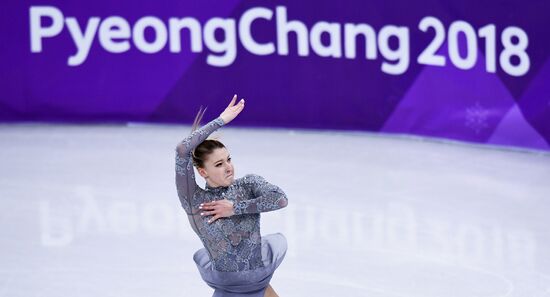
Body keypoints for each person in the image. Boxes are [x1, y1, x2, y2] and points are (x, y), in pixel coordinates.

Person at [175, 95, 288, 297]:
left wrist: (235, 208)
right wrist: (221, 121)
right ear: (203, 172)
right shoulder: (195, 200)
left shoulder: (248, 184)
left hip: (258, 279)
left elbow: (280, 199)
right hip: (230, 286)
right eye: (219, 164)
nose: (228, 167)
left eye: (228, 159)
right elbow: (182, 150)